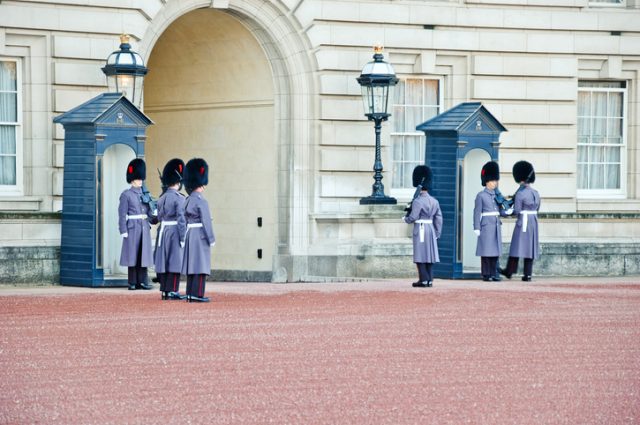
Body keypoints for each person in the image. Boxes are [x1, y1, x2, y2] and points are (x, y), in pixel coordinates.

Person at [118, 158, 156, 290]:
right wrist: (123, 229)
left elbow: (150, 213)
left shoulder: (146, 194)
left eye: (141, 178)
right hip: (132, 227)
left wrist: (155, 215)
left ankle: (143, 281)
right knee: (132, 255)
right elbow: (122, 214)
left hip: (144, 227)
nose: (140, 180)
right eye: (138, 178)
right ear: (132, 179)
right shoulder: (126, 195)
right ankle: (132, 282)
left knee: (143, 255)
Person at [182, 158, 216, 302]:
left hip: (190, 235)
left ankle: (190, 293)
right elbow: (206, 221)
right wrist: (211, 239)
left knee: (192, 266)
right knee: (201, 266)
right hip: (200, 235)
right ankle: (198, 294)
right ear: (201, 184)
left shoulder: (188, 200)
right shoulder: (202, 201)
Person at [500, 161, 540, 281]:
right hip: (533, 222)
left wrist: (504, 212)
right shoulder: (536, 193)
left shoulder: (521, 194)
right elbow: (537, 208)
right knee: (530, 248)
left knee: (516, 247)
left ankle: (509, 271)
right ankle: (527, 274)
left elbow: (517, 211)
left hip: (523, 221)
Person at [403, 165, 442, 288]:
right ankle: (429, 279)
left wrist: (406, 219)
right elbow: (439, 218)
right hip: (430, 229)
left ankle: (423, 280)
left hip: (420, 228)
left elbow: (413, 217)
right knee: (429, 255)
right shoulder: (434, 201)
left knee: (420, 255)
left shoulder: (418, 201)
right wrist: (437, 232)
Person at [473, 161, 512, 282]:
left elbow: (500, 211)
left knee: (494, 252)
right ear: (487, 181)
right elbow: (477, 212)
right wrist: (476, 227)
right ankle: (486, 274)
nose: (495, 182)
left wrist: (509, 211)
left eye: (496, 180)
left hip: (495, 225)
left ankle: (494, 273)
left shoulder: (497, 196)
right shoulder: (481, 195)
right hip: (486, 225)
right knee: (486, 252)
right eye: (493, 180)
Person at [154, 158, 187, 300]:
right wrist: (183, 237)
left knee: (164, 261)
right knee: (175, 261)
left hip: (163, 231)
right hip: (174, 231)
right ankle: (173, 290)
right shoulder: (180, 198)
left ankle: (164, 291)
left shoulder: (161, 198)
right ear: (179, 182)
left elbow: (159, 216)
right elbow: (181, 219)